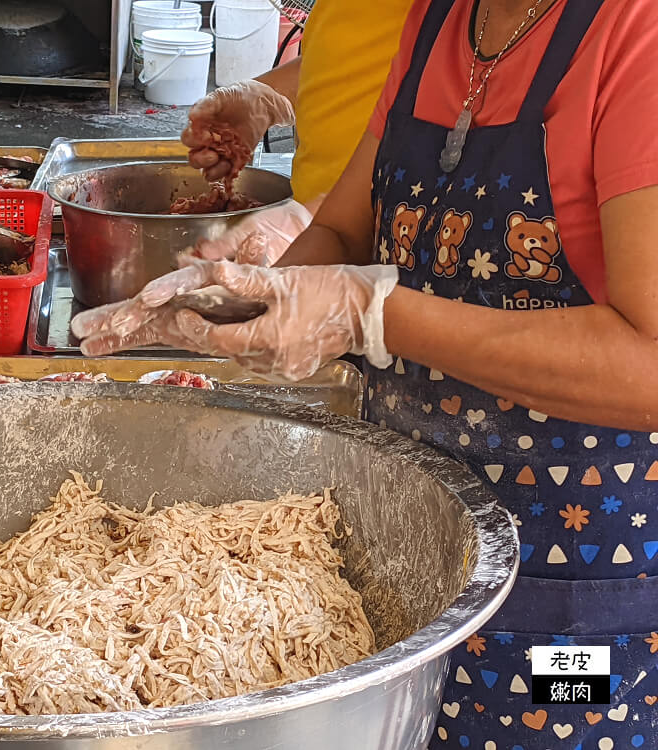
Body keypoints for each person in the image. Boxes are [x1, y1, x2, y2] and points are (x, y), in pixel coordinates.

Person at [73, 0, 658, 747]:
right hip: (412, 565)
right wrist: (258, 305)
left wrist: (368, 312)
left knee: (555, 713)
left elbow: (648, 364)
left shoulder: (635, 36)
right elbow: (349, 226)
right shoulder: (440, 21)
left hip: (579, 593)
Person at [179, 0, 411, 266]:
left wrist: (337, 218)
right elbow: (356, 45)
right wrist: (266, 96)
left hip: (398, 241)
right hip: (319, 235)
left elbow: (452, 70)